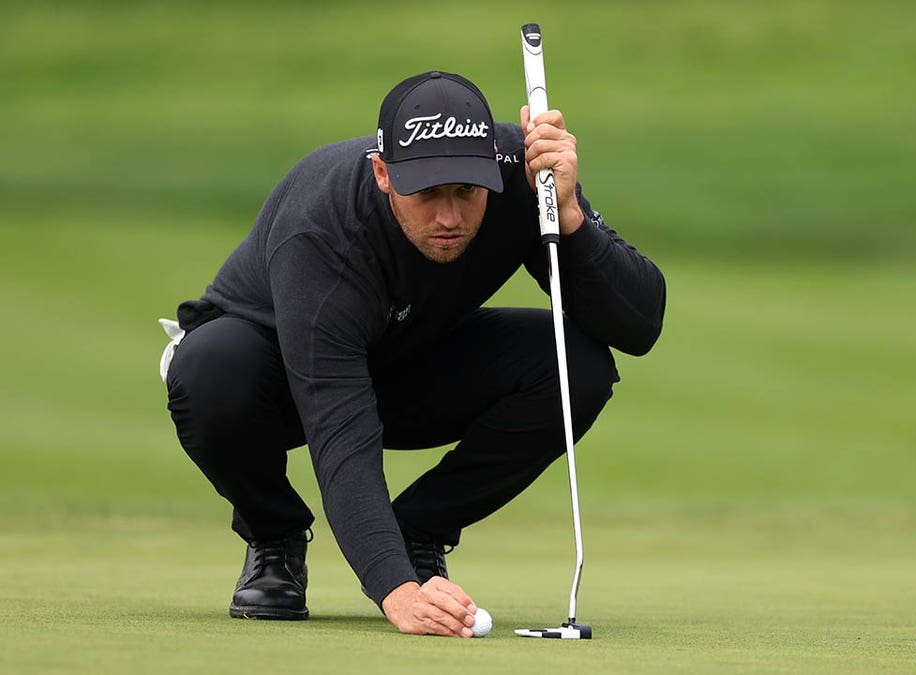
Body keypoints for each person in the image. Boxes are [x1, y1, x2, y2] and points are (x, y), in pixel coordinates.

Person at [158, 70, 665, 637]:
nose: (449, 217)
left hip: (410, 360)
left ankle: (419, 530)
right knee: (209, 370)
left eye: (466, 193)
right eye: (427, 194)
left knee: (578, 365)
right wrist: (395, 589)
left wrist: (570, 218)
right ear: (382, 173)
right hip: (278, 378)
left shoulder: (523, 173)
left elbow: (640, 324)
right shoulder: (321, 233)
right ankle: (274, 537)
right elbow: (339, 429)